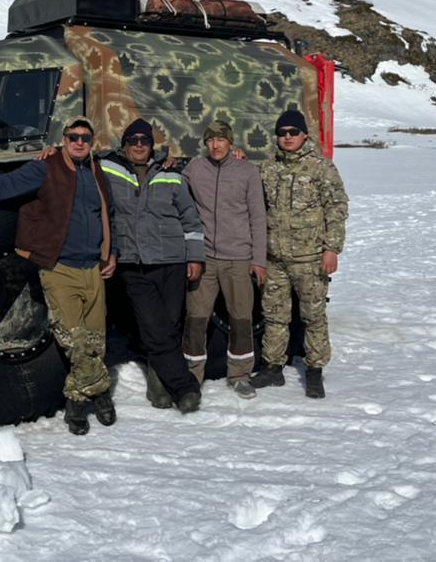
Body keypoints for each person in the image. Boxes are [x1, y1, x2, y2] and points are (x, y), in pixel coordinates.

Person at [0, 118, 117, 435]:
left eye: (85, 138)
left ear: (92, 142)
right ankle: (100, 395)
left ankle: (76, 400)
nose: (78, 142)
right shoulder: (46, 168)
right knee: (73, 341)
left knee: (94, 343)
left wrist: (111, 252)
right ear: (64, 139)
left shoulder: (96, 172)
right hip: (60, 268)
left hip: (93, 269)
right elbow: (0, 186)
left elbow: (107, 215)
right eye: (73, 137)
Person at [99, 118, 207, 414]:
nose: (138, 146)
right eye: (132, 141)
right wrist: (51, 153)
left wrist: (195, 256)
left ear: (151, 145)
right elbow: (77, 157)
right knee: (154, 326)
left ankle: (158, 384)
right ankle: (184, 387)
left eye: (144, 141)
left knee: (170, 324)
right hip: (133, 262)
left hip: (171, 260)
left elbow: (190, 217)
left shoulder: (171, 174)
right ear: (124, 145)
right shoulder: (108, 168)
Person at [251, 109, 349, 398]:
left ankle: (315, 369)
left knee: (313, 315)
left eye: (293, 132)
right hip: (275, 257)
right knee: (274, 315)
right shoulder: (268, 168)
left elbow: (337, 209)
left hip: (309, 257)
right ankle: (273, 367)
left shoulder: (321, 168)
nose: (288, 137)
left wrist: (331, 249)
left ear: (304, 134)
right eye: (282, 133)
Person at [181, 119, 267, 399]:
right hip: (204, 257)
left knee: (241, 318)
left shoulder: (247, 171)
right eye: (210, 140)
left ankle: (240, 374)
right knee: (196, 318)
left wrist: (259, 260)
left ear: (231, 143)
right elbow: (176, 188)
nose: (215, 145)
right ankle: (192, 375)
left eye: (221, 140)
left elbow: (258, 216)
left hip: (239, 258)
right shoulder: (195, 168)